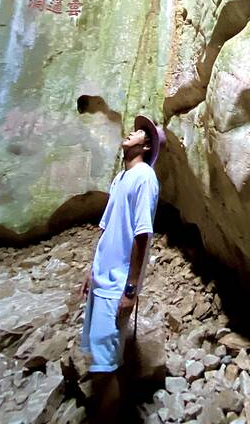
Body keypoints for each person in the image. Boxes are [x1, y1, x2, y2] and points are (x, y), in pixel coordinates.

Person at [79, 114, 165, 422]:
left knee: (104, 370)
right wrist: (91, 269)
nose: (132, 133)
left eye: (140, 132)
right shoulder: (121, 178)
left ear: (146, 146)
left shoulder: (144, 177)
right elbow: (106, 229)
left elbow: (143, 235)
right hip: (102, 280)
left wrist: (130, 289)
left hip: (116, 286)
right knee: (98, 361)